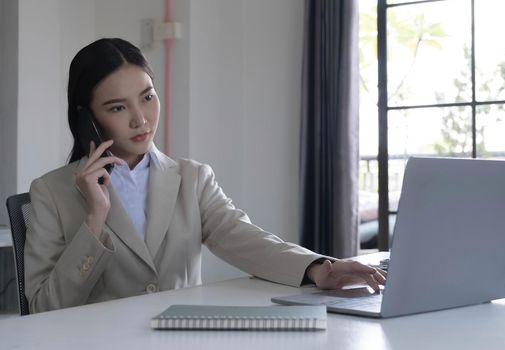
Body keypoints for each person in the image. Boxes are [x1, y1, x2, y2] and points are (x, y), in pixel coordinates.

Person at [24, 38, 386, 313]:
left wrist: (319, 268)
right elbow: (43, 307)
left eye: (147, 97)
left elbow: (245, 239)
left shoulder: (192, 178)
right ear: (87, 117)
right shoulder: (50, 193)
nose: (141, 119)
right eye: (118, 107)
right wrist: (94, 220)